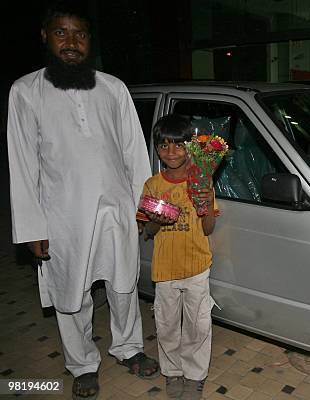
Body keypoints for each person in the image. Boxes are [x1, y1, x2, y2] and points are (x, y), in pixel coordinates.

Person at [7, 2, 157, 399]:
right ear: (45, 36)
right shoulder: (25, 91)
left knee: (124, 284)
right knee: (70, 294)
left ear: (90, 40)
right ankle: (83, 364)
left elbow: (134, 152)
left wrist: (145, 205)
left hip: (117, 209)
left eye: (80, 34)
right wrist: (31, 227)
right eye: (61, 33)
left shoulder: (113, 87)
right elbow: (21, 164)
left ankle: (128, 348)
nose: (71, 42)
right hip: (62, 218)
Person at [140, 114, 217, 399]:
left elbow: (208, 227)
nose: (171, 152)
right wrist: (158, 219)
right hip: (165, 269)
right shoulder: (152, 185)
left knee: (198, 325)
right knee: (167, 325)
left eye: (179, 145)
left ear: (190, 148)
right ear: (157, 149)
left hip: (197, 266)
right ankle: (172, 373)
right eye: (164, 146)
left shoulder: (202, 180)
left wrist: (206, 202)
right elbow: (146, 230)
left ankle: (195, 376)